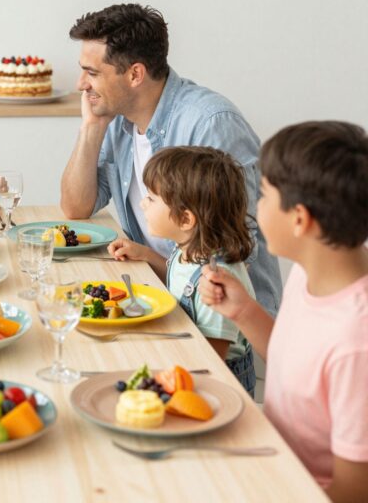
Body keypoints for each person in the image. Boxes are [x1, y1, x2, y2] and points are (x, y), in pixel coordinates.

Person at [60, 3, 282, 317]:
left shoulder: (211, 123)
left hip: (219, 320)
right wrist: (91, 127)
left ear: (135, 74)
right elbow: (76, 207)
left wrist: (155, 261)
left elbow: (236, 249)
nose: (80, 84)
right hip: (161, 295)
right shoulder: (119, 120)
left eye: (92, 72)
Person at [199, 121, 368, 501]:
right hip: (275, 460)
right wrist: (244, 312)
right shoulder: (313, 273)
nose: (254, 207)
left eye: (262, 195)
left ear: (299, 219)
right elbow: (297, 364)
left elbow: (355, 491)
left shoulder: (357, 342)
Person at [107, 146, 257, 394]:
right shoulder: (187, 250)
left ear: (186, 220)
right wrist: (145, 255)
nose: (143, 204)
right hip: (185, 360)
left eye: (152, 199)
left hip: (216, 384)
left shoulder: (217, 280)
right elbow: (184, 287)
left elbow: (212, 359)